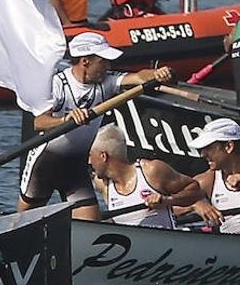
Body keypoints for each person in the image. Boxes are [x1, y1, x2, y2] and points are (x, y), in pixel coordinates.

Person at [18, 32, 173, 219]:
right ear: (85, 61)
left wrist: (156, 74)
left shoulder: (106, 81)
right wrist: (65, 120)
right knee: (24, 221)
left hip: (75, 164)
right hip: (45, 162)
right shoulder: (58, 84)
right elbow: (39, 122)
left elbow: (139, 77)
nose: (108, 67)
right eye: (103, 61)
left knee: (91, 222)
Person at [88, 125, 202, 229]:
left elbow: (195, 190)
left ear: (103, 156)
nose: (89, 161)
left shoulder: (152, 170)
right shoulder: (102, 185)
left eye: (90, 155)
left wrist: (168, 201)